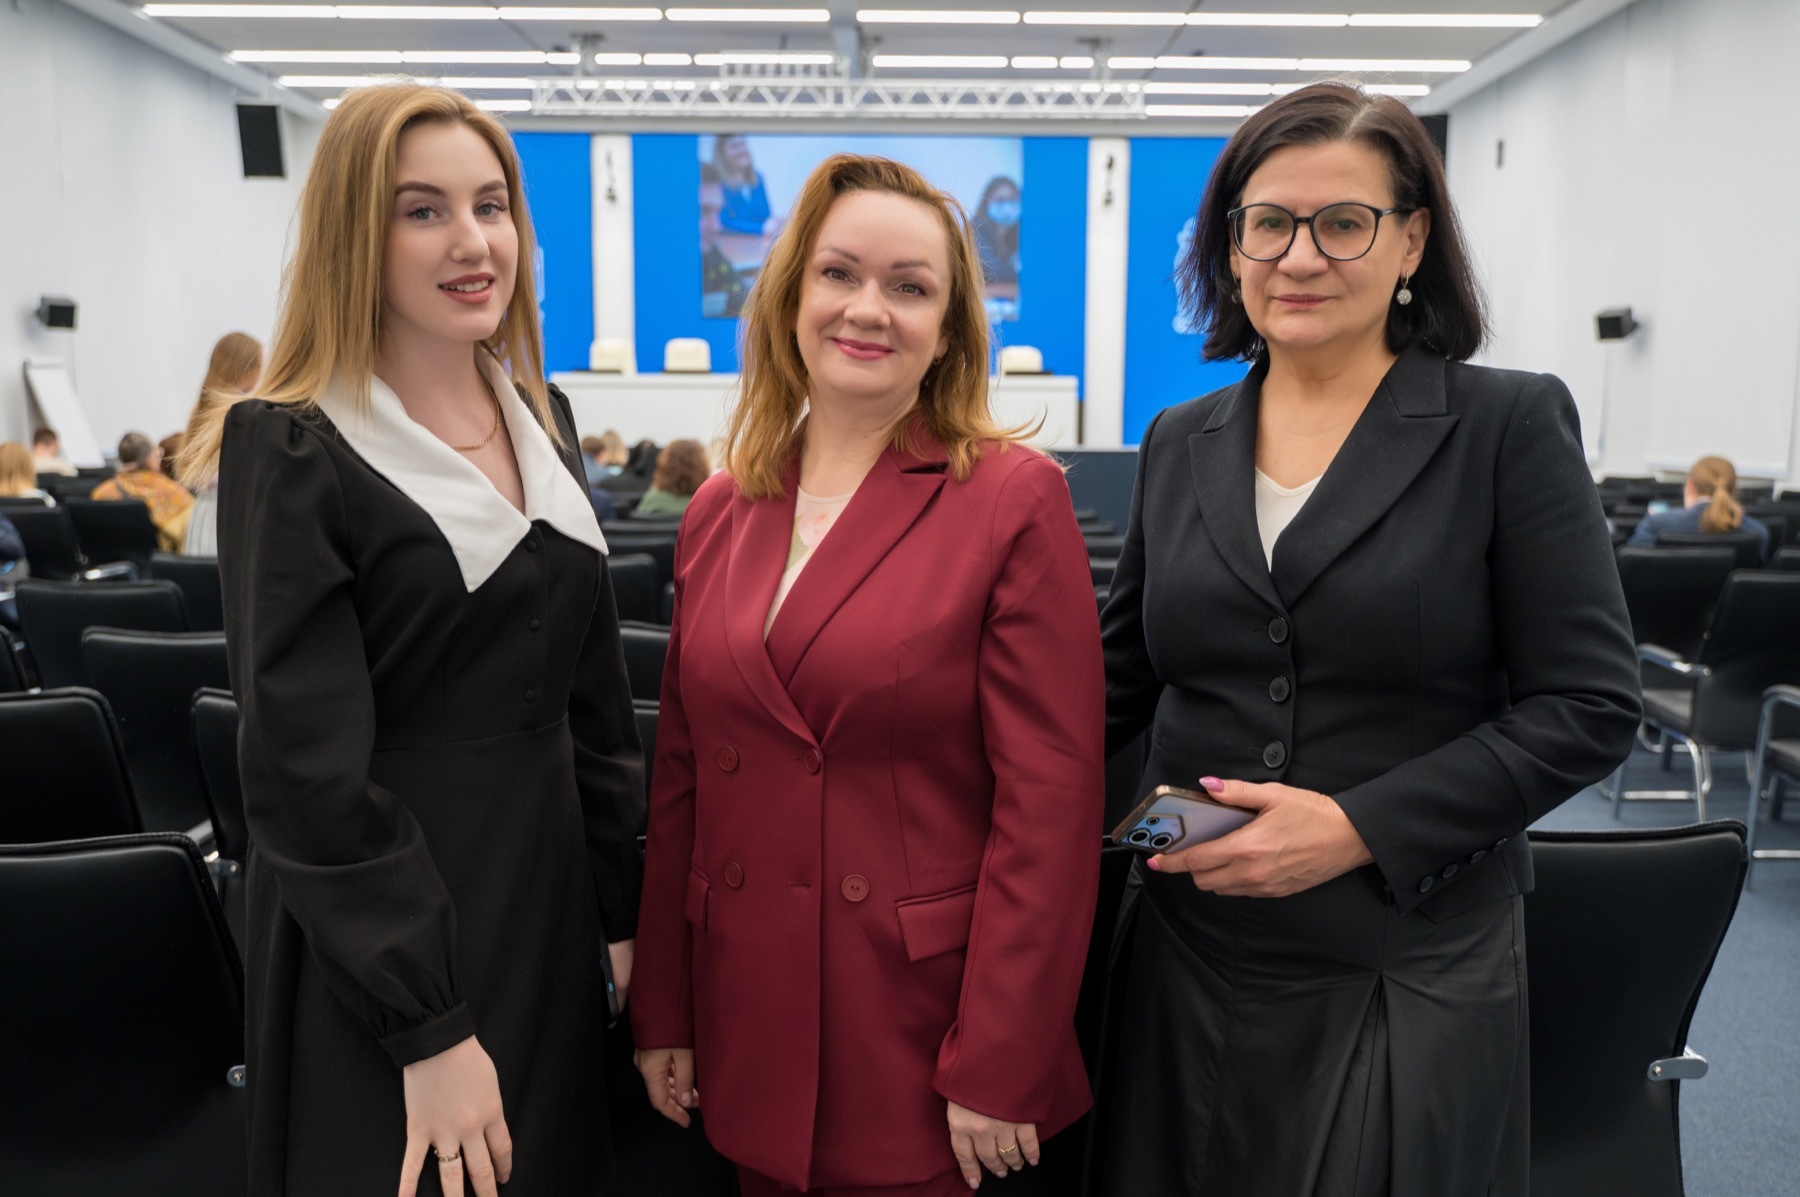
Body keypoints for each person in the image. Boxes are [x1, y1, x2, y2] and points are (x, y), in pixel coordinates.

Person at [1091, 82, 1641, 1197]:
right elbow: (1120, 682)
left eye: (1343, 222)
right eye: (1269, 223)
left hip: (1402, 950)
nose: (1300, 256)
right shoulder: (1179, 438)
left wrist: (1356, 828)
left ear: (1412, 241)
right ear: (1231, 246)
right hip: (1184, 942)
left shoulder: (1504, 424)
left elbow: (1588, 707)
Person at [631, 153, 1104, 1197]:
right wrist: (665, 1005)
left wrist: (1003, 1055)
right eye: (839, 274)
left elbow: (1051, 806)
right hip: (748, 1010)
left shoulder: (1010, 498)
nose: (867, 309)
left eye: (910, 286)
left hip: (922, 1035)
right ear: (790, 295)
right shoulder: (720, 508)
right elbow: (684, 782)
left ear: (950, 330)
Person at [205, 83, 644, 1197]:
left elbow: (595, 707)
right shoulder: (292, 443)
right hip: (386, 939)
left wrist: (625, 910)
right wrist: (428, 1025)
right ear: (355, 234)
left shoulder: (543, 417)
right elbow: (302, 775)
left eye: (490, 205)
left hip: (547, 905)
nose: (472, 242)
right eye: (422, 210)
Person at [175, 331, 265, 556]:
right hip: (230, 517)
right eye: (260, 364)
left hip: (201, 515)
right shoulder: (242, 411)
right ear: (246, 368)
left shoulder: (201, 408)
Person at [1627, 455, 1771, 559]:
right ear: (1733, 490)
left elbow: (1630, 571)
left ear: (1690, 485)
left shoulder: (1657, 524)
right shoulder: (1758, 532)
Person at [90, 431, 195, 552]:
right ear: (150, 459)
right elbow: (188, 535)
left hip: (109, 560)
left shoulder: (100, 492)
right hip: (158, 560)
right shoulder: (173, 493)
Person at [700, 162, 750, 317]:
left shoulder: (711, 257)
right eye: (703, 211)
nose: (716, 227)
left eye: (717, 212)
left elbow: (742, 298)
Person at [712, 133, 778, 236]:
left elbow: (766, 216)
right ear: (722, 153)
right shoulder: (717, 183)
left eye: (743, 144)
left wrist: (774, 223)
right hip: (734, 243)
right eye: (734, 146)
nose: (741, 150)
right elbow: (725, 223)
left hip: (760, 242)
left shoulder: (758, 178)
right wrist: (761, 228)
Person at [629, 439, 709, 517]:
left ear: (665, 465)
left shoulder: (652, 499)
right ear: (702, 467)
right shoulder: (706, 502)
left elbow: (638, 523)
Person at [971, 175, 1021, 289]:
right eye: (1000, 200)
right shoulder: (976, 229)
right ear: (987, 202)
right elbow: (992, 272)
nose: (1007, 207)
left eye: (1012, 200)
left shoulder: (1018, 232)